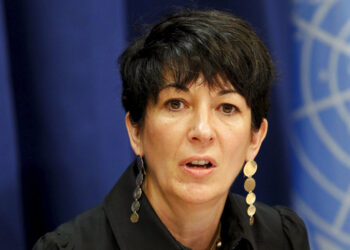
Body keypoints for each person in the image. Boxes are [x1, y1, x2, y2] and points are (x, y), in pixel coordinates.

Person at [33, 9, 310, 250]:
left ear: (255, 138)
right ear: (136, 131)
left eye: (227, 108)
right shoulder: (70, 247)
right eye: (176, 104)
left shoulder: (282, 238)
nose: (202, 131)